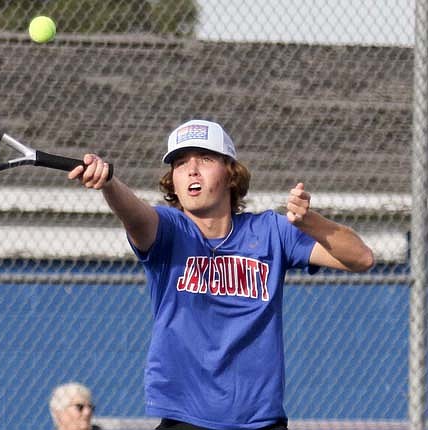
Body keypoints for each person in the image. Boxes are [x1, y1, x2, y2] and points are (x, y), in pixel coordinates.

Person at [68, 119, 374, 430]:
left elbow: (361, 258)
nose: (192, 170)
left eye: (205, 159)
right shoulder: (169, 230)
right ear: (172, 180)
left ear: (230, 173)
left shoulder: (271, 231)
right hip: (185, 419)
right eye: (181, 163)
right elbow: (135, 215)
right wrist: (109, 182)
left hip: (261, 421)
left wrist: (309, 222)